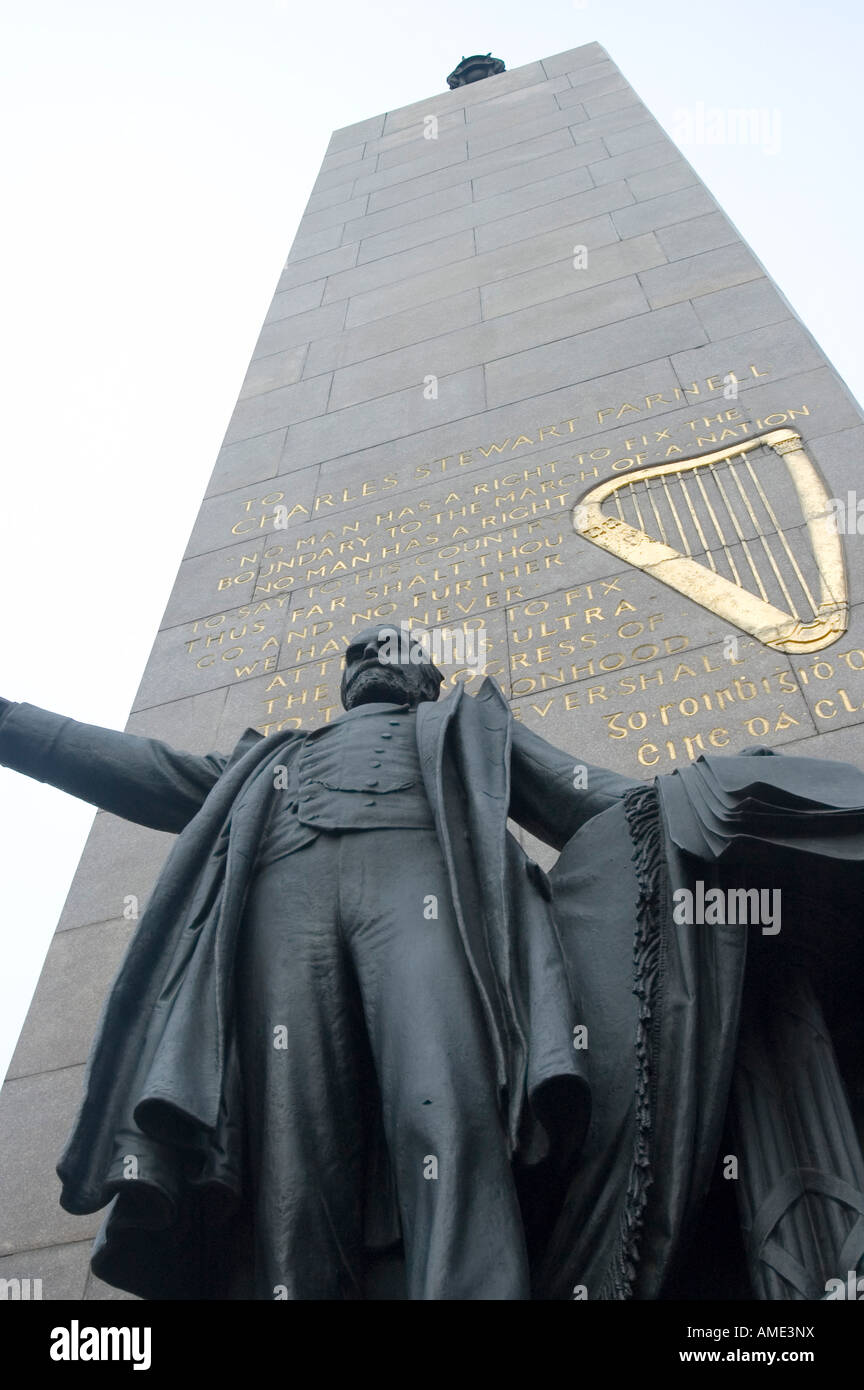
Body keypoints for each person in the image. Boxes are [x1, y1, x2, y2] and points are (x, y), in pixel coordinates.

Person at [2, 622, 863, 1300]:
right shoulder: (269, 759)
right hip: (282, 918)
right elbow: (143, 771)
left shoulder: (469, 728)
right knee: (292, 1145)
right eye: (362, 652)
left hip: (429, 907)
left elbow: (582, 798)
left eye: (397, 649)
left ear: (427, 677)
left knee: (445, 1108)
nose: (374, 656)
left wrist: (708, 808)